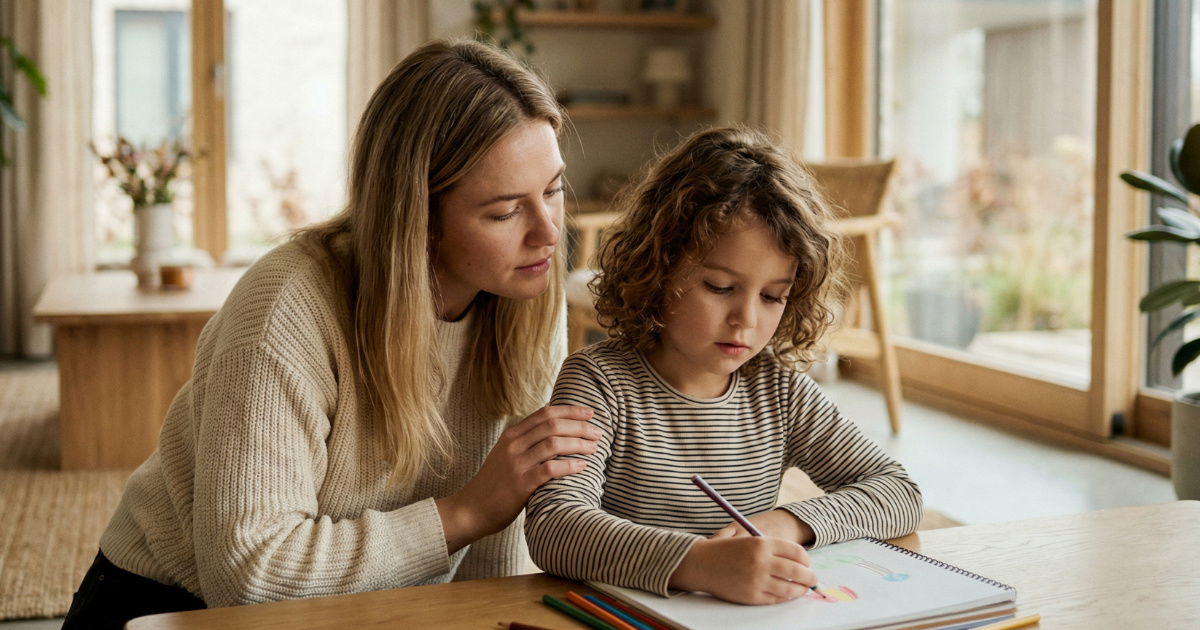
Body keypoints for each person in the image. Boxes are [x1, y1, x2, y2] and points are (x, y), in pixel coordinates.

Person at [63, 40, 602, 629]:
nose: (549, 233)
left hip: (381, 607)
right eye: (504, 212)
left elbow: (500, 541)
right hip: (166, 607)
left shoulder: (524, 287)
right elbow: (246, 577)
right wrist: (466, 512)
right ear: (415, 218)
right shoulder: (284, 312)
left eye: (552, 188)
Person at [524, 126, 924, 606]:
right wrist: (697, 563)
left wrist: (787, 522)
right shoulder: (600, 383)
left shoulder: (778, 389)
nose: (747, 320)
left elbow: (899, 493)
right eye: (719, 287)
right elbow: (554, 528)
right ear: (658, 265)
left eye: (773, 295)